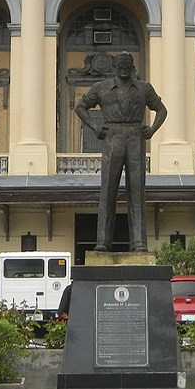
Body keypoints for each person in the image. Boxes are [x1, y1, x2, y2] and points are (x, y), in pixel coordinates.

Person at [74, 52, 168, 251]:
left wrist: (151, 129)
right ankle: (102, 242)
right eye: (120, 64)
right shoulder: (101, 88)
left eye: (128, 64)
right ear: (114, 68)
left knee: (137, 192)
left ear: (133, 68)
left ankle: (139, 243)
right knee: (108, 191)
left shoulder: (144, 88)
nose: (124, 68)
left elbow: (162, 110)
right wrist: (94, 127)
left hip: (136, 137)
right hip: (112, 137)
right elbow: (80, 107)